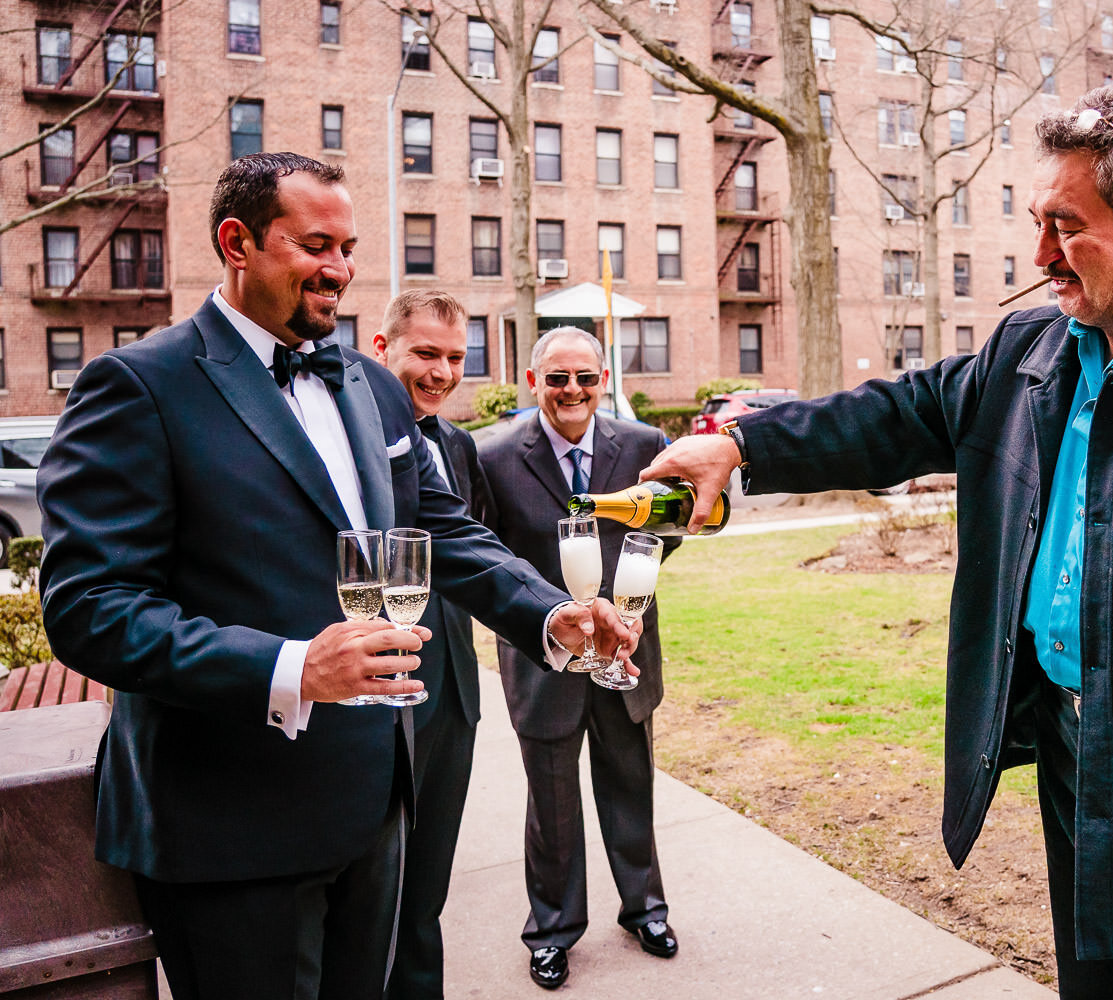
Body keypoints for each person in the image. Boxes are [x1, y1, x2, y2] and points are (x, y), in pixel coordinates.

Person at [641, 86, 1113, 1000]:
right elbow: (902, 413)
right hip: (1077, 758)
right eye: (1037, 221)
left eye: (1066, 225)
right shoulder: (1030, 349)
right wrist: (741, 443)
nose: (1040, 252)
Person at [37, 152, 635, 1000]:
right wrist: (290, 668)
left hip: (375, 802)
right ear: (236, 242)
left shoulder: (369, 387)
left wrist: (547, 615)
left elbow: (445, 530)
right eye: (316, 245)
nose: (341, 270)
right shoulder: (138, 386)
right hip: (228, 825)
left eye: (349, 248)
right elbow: (89, 608)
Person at [476, 327, 680, 990]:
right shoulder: (496, 456)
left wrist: (629, 596)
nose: (573, 390)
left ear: (602, 380)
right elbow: (485, 554)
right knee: (553, 803)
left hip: (625, 653)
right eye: (558, 378)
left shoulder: (645, 446)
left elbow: (666, 528)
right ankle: (553, 932)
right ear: (534, 381)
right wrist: (549, 615)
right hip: (545, 664)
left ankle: (644, 910)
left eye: (586, 377)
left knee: (632, 786)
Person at [373, 290, 494, 1000]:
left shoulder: (457, 445)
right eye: (426, 353)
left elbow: (473, 550)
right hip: (377, 689)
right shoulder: (350, 440)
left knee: (426, 891)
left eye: (455, 357)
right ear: (383, 349)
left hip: (453, 695)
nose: (442, 372)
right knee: (373, 888)